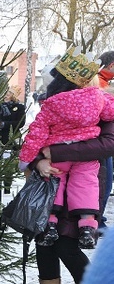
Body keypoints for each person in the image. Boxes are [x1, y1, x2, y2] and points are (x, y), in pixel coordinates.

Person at [25, 53, 114, 284]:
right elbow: (35, 137)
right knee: (44, 243)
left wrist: (54, 152)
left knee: (68, 246)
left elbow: (107, 145)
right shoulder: (54, 105)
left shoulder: (102, 101)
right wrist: (38, 160)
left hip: (84, 186)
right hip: (49, 182)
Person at [19, 47, 114, 250]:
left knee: (55, 184)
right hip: (87, 165)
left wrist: (31, 158)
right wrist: (38, 161)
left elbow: (35, 135)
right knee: (86, 186)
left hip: (56, 157)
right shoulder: (99, 100)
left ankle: (50, 221)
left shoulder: (52, 105)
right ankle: (87, 225)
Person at [95, 51, 114, 234]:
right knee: (104, 182)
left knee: (106, 181)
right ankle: (97, 221)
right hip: (101, 142)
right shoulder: (99, 84)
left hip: (104, 141)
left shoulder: (104, 83)